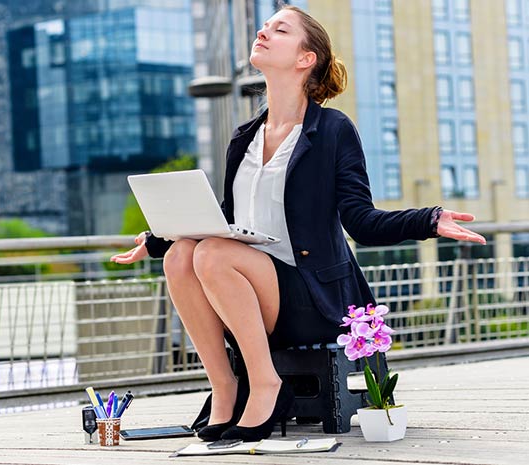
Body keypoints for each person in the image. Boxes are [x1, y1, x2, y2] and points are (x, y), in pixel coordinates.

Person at [110, 5, 485, 442]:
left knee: (210, 253)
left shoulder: (332, 130)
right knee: (180, 257)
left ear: (306, 58)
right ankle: (225, 386)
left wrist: (431, 219)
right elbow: (226, 222)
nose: (263, 32)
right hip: (246, 290)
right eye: (265, 27)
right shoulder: (244, 137)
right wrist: (158, 239)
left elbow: (361, 221)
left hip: (313, 296)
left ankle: (266, 383)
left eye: (280, 29)